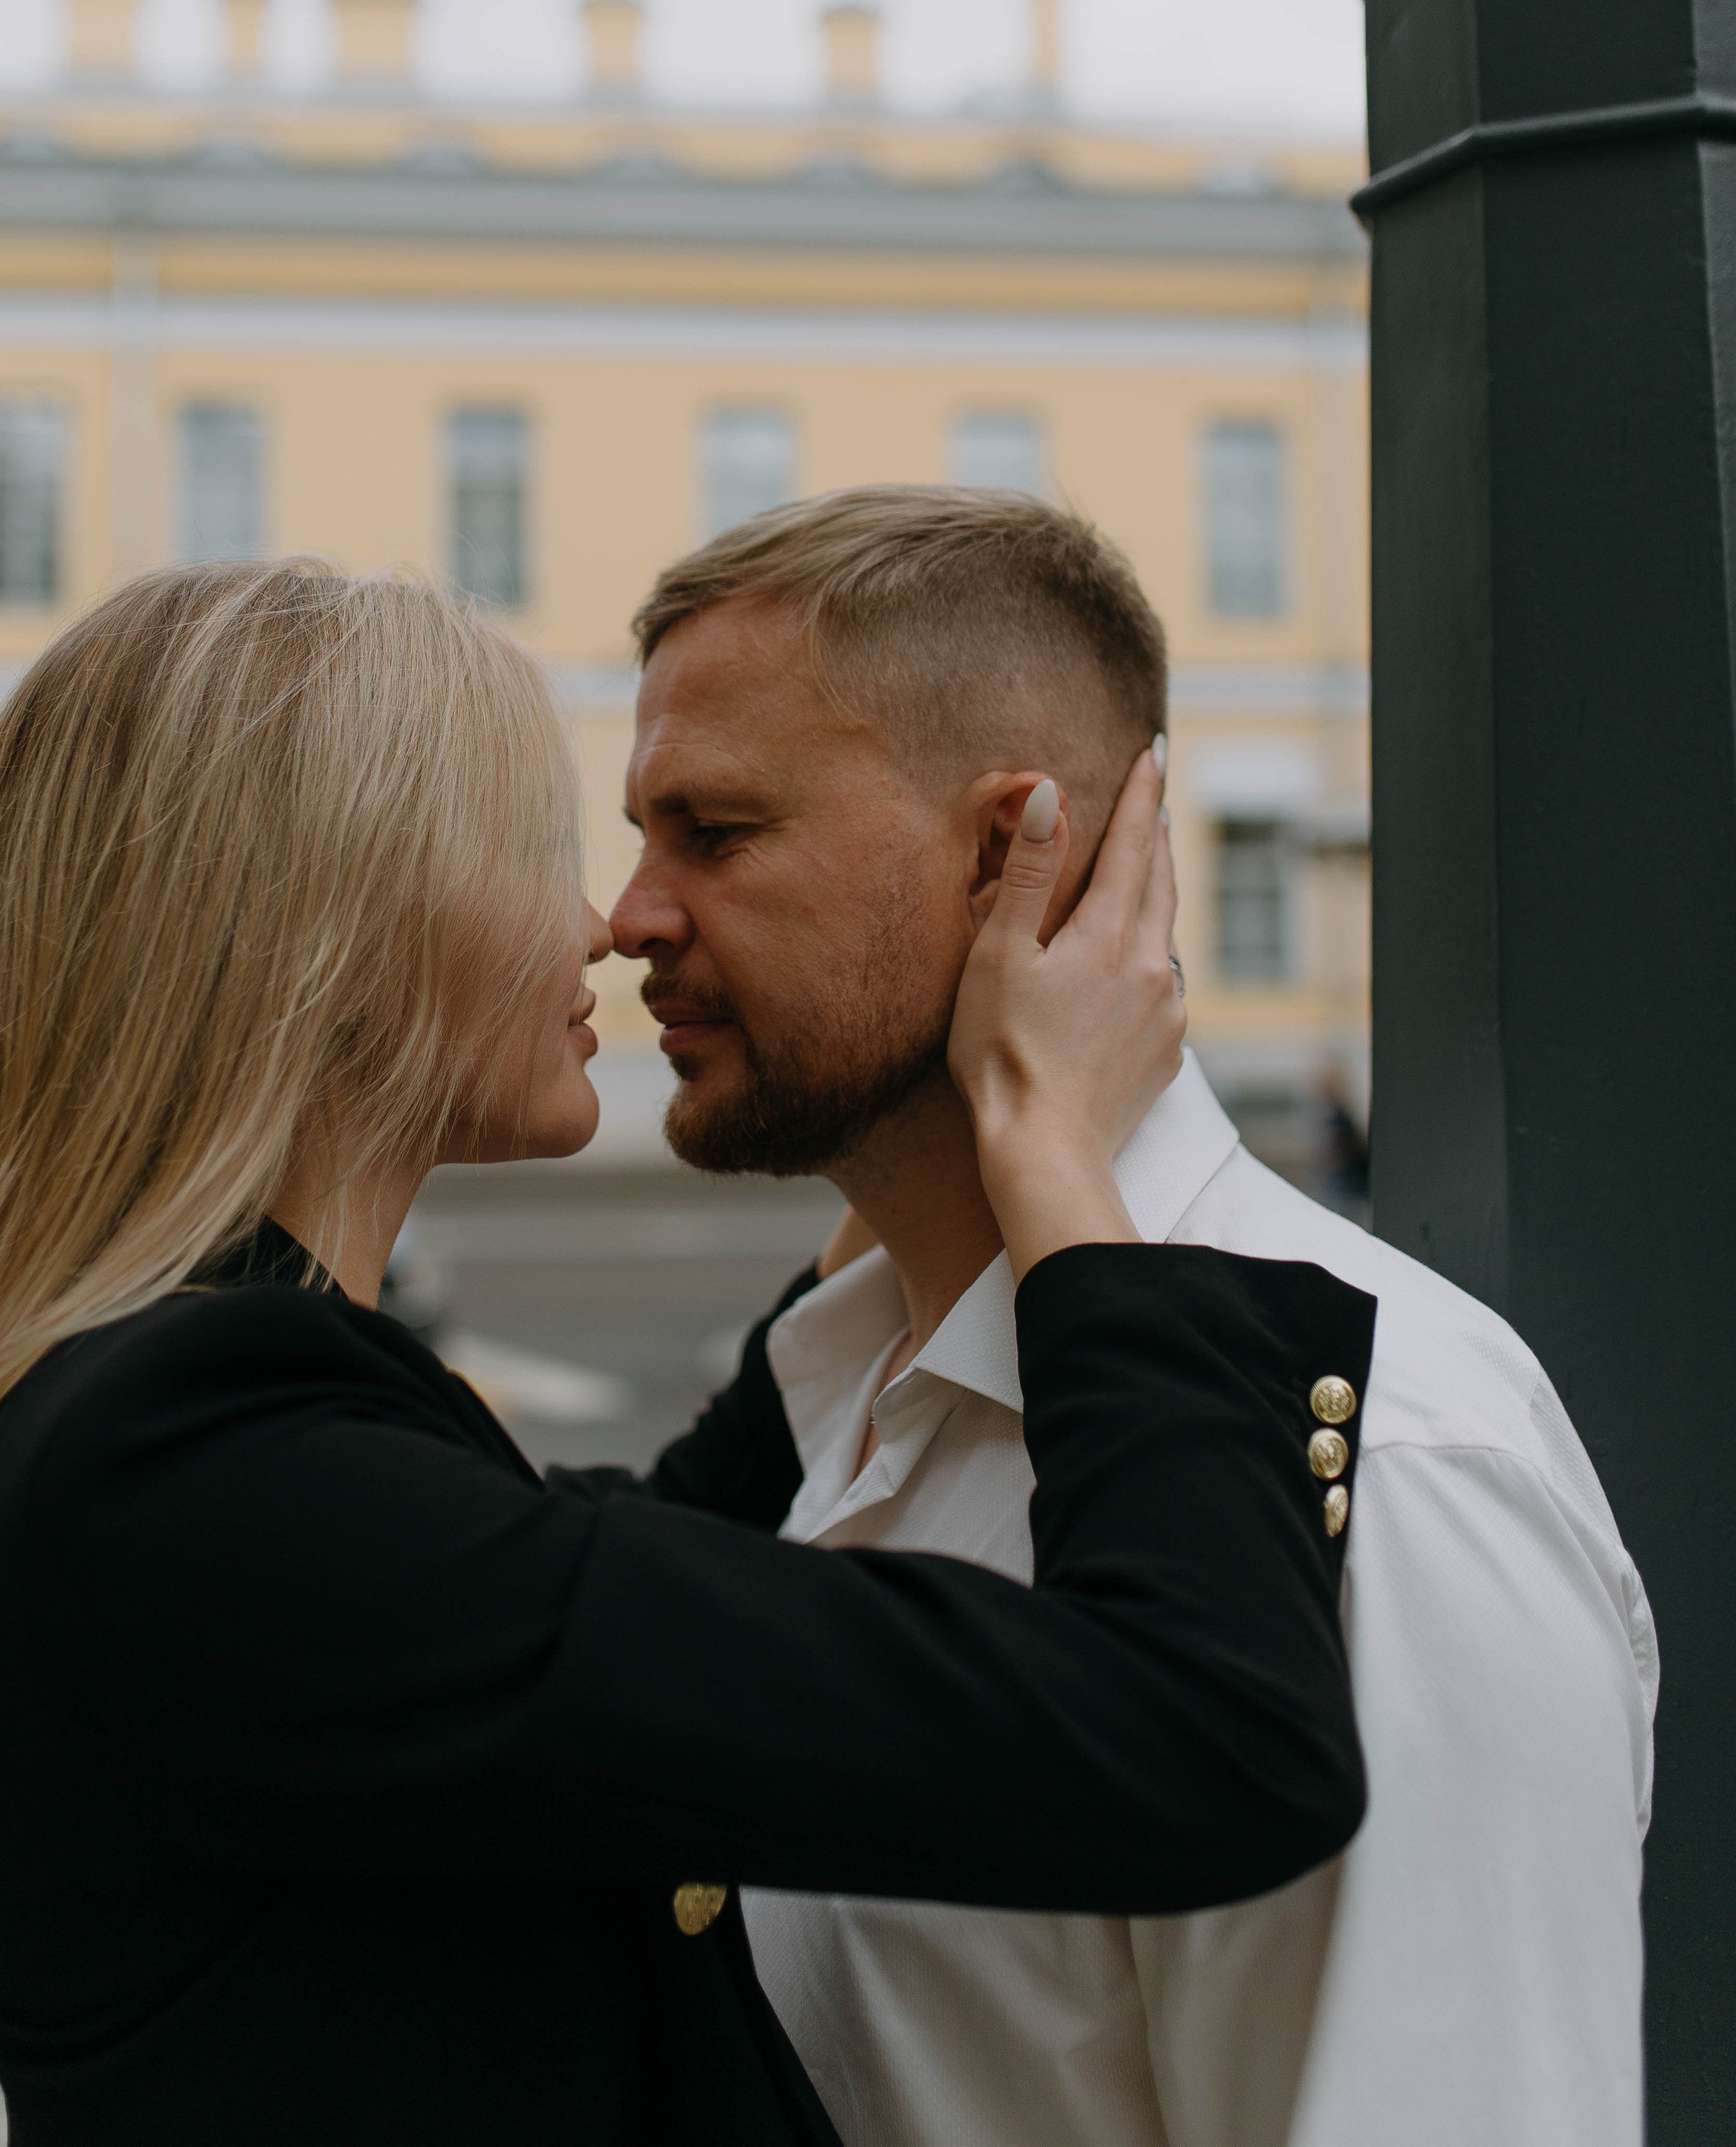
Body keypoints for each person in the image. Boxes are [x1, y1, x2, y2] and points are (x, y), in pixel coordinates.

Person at [0, 559, 1372, 2147]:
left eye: (703, 836)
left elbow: (637, 1562)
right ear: (326, 930)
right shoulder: (201, 1475)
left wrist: (911, 1143)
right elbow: (1204, 1738)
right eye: (534, 851)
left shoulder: (161, 1419)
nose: (603, 923)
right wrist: (1054, 1158)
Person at [611, 488, 1658, 2147]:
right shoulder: (848, 1396)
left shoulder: (1383, 1464)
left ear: (1005, 854)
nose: (631, 918)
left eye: (715, 832)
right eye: (642, 836)